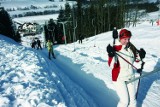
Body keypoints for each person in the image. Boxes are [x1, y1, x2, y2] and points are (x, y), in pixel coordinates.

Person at [106, 29, 146, 107]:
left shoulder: (130, 48)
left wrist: (141, 55)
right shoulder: (115, 49)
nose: (127, 41)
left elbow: (135, 59)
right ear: (120, 38)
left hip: (130, 76)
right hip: (119, 78)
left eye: (128, 39)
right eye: (125, 39)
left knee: (133, 101)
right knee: (125, 101)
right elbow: (111, 65)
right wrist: (111, 55)